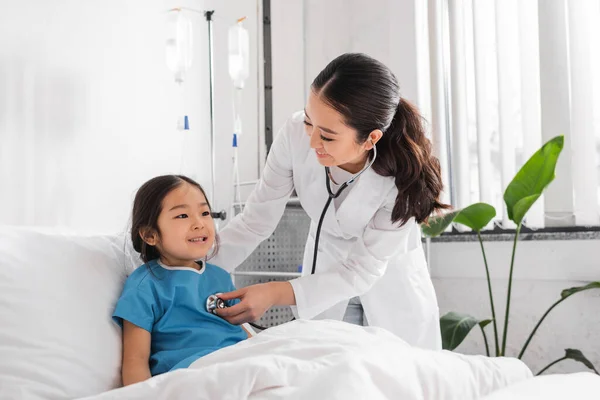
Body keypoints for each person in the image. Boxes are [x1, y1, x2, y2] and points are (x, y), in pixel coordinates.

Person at [211, 53, 450, 350]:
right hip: (325, 272)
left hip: (390, 280)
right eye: (310, 122)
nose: (312, 143)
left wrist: (274, 293)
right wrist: (199, 265)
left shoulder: (401, 180)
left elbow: (361, 270)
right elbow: (255, 220)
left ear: (370, 138)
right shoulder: (294, 136)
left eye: (327, 136)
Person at [112, 175, 248, 386]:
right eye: (183, 215)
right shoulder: (145, 285)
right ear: (150, 235)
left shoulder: (219, 276)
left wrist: (264, 349)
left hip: (241, 360)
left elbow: (244, 331)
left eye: (204, 213)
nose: (199, 223)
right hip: (194, 374)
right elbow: (135, 360)